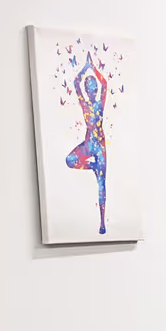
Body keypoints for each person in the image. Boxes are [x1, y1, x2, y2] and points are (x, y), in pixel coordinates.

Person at [65, 53, 109, 233]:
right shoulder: (84, 104)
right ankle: (91, 167)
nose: (91, 90)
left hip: (99, 147)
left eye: (92, 87)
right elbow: (76, 83)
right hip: (88, 143)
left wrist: (93, 68)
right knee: (70, 160)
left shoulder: (100, 103)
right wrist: (85, 67)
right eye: (88, 87)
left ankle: (102, 222)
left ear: (95, 90)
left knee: (102, 184)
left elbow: (105, 84)